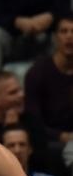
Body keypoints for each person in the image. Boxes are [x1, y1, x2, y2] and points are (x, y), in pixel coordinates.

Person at [24, 12, 73, 145]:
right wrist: (60, 136)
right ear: (56, 37)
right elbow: (33, 121)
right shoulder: (38, 72)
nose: (69, 36)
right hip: (48, 140)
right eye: (64, 31)